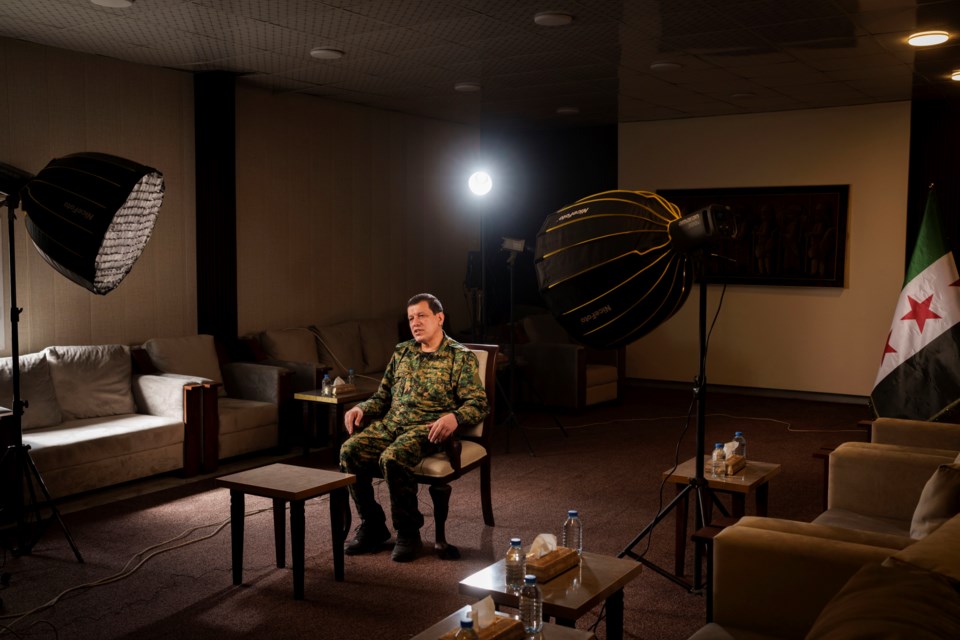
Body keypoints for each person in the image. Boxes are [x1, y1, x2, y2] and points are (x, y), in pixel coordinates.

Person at [339, 293, 489, 562]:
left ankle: (409, 531)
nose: (415, 323)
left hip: (427, 429)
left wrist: (454, 417)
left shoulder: (459, 357)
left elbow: (478, 403)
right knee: (349, 451)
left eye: (422, 316)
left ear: (439, 318)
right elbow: (383, 396)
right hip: (392, 424)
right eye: (411, 318)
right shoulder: (402, 352)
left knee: (393, 458)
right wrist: (361, 407)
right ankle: (373, 524)